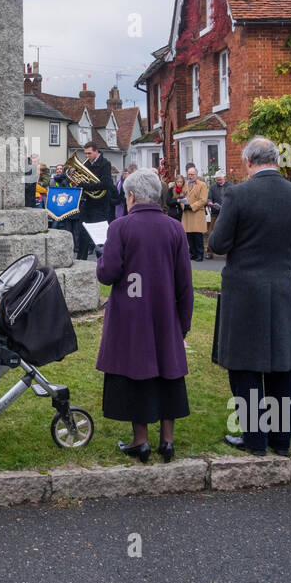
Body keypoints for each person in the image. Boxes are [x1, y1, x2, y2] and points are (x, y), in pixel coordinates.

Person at [209, 137, 291, 456]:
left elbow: (218, 243)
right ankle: (281, 441)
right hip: (281, 286)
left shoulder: (238, 193)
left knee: (245, 365)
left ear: (248, 162)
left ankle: (254, 439)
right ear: (276, 160)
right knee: (281, 365)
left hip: (244, 289)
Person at [96, 169, 193, 462]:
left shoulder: (120, 227)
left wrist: (102, 256)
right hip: (166, 312)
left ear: (133, 196)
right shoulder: (175, 228)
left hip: (131, 312)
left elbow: (108, 272)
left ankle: (141, 441)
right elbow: (184, 281)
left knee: (136, 371)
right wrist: (184, 322)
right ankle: (167, 441)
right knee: (168, 370)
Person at [76, 140, 117, 260]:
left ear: (96, 152)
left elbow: (106, 184)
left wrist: (85, 186)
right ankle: (81, 260)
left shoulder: (105, 164)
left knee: (99, 236)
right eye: (86, 153)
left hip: (101, 204)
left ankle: (103, 262)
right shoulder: (86, 164)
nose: (87, 156)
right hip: (88, 202)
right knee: (82, 232)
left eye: (89, 153)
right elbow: (81, 181)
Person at [180, 165, 209, 260]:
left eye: (192, 174)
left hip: (197, 213)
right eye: (189, 174)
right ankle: (192, 253)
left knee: (197, 235)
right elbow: (180, 198)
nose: (190, 176)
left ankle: (200, 254)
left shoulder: (202, 185)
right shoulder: (185, 185)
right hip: (187, 214)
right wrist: (184, 206)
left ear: (196, 175)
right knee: (189, 235)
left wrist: (192, 206)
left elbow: (203, 200)